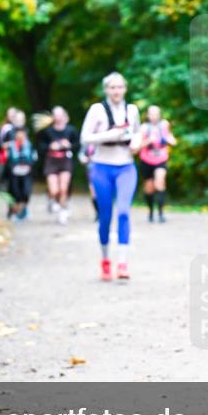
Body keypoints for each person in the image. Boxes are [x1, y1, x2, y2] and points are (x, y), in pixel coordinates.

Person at [80, 72, 141, 281]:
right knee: (105, 216)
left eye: (120, 87)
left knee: (123, 212)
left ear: (125, 89)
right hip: (102, 167)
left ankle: (122, 263)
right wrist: (110, 135)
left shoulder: (132, 110)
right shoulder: (97, 110)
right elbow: (84, 137)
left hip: (126, 167)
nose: (116, 91)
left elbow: (138, 132)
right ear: (106, 90)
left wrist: (136, 143)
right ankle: (105, 260)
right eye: (112, 87)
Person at [37, 106, 80, 224]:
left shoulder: (71, 130)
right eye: (56, 115)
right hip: (51, 161)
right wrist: (50, 146)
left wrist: (69, 145)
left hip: (66, 160)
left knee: (63, 188)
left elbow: (77, 145)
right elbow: (40, 146)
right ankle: (52, 200)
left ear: (65, 115)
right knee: (54, 190)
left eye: (61, 115)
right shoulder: (46, 131)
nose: (59, 117)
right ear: (53, 117)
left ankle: (62, 212)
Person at [138, 105, 177, 223]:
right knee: (149, 188)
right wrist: (148, 141)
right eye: (151, 114)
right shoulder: (144, 128)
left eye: (156, 113)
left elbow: (172, 140)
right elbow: (137, 146)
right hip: (146, 161)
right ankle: (150, 212)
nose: (154, 116)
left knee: (160, 183)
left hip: (161, 160)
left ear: (159, 115)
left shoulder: (164, 125)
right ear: (148, 115)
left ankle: (161, 214)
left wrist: (170, 140)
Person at [4, 126, 38, 221]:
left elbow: (34, 158)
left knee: (26, 193)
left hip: (26, 173)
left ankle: (21, 211)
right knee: (15, 193)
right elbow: (5, 160)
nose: (20, 135)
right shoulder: (10, 146)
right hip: (13, 174)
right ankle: (15, 213)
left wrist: (29, 166)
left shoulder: (29, 145)